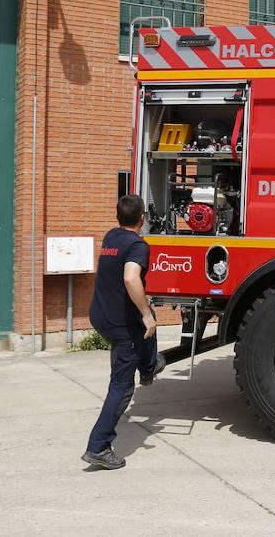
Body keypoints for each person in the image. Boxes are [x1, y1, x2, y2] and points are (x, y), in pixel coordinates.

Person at [81, 194, 164, 470]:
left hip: (100, 317)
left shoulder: (111, 237)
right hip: (120, 324)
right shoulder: (138, 245)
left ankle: (149, 366)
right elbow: (130, 277)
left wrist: (144, 309)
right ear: (143, 218)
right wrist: (144, 313)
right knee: (121, 385)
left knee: (147, 323)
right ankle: (99, 447)